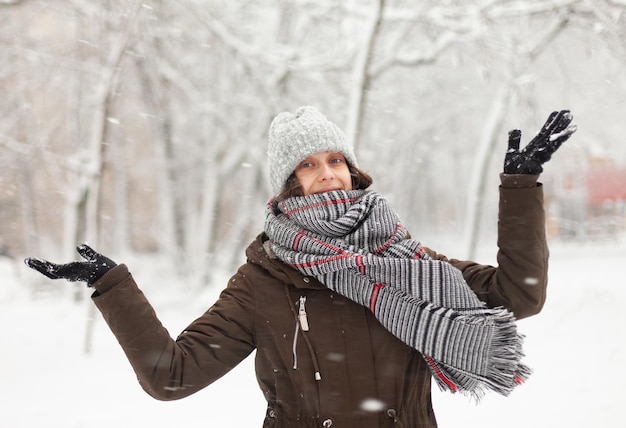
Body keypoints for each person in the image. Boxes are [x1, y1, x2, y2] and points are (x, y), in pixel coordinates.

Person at [25, 106, 577, 427]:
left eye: (335, 159)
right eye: (308, 165)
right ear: (288, 186)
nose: (328, 173)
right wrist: (110, 285)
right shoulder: (264, 279)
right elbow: (172, 376)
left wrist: (521, 188)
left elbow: (518, 296)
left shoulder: (404, 257)